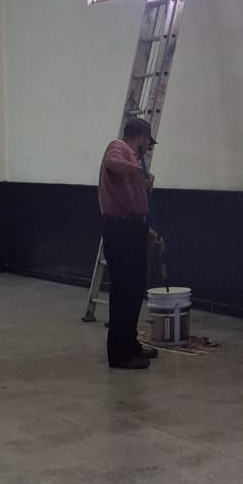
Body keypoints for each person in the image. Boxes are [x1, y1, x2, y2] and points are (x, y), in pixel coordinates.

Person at [98, 117, 159, 371]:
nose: (147, 148)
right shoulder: (119, 147)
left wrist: (146, 229)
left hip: (132, 227)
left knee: (134, 291)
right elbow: (111, 163)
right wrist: (136, 170)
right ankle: (119, 354)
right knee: (124, 292)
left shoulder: (134, 158)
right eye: (147, 142)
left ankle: (130, 343)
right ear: (141, 137)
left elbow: (132, 199)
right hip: (120, 229)